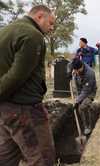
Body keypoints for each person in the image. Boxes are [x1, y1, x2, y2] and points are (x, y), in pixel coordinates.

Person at [0, 5, 55, 166]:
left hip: (4, 110)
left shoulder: (6, 31)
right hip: (25, 109)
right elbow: (16, 77)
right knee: (43, 158)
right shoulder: (32, 35)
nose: (51, 28)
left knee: (6, 157)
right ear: (39, 16)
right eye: (50, 23)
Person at [71, 58, 97, 135]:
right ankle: (85, 122)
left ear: (81, 67)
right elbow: (69, 65)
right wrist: (69, 72)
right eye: (74, 70)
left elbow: (86, 91)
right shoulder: (76, 66)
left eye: (77, 70)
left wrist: (77, 100)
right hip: (81, 92)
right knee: (82, 106)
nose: (75, 72)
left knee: (82, 108)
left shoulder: (90, 74)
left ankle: (88, 127)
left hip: (90, 92)